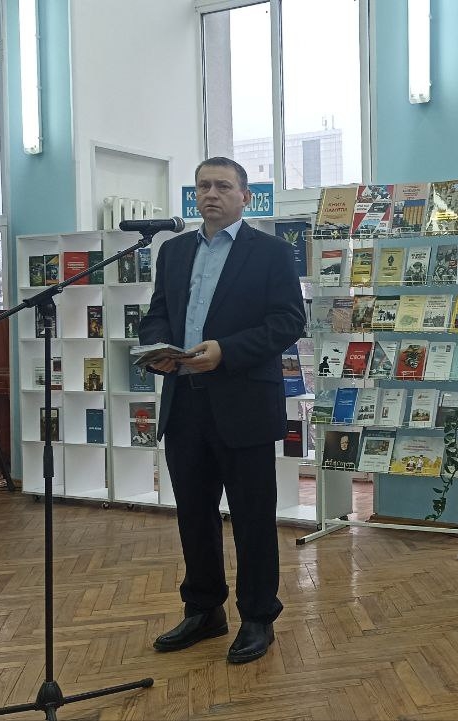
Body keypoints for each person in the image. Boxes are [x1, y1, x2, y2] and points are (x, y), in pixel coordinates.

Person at [139, 157, 305, 664]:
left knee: (253, 517)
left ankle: (258, 617)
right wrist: (158, 347)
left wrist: (225, 352)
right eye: (203, 186)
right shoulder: (173, 251)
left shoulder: (272, 252)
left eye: (223, 186)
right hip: (184, 400)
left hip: (243, 401)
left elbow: (288, 322)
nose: (211, 194)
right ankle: (204, 609)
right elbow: (157, 314)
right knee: (193, 513)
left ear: (245, 196)